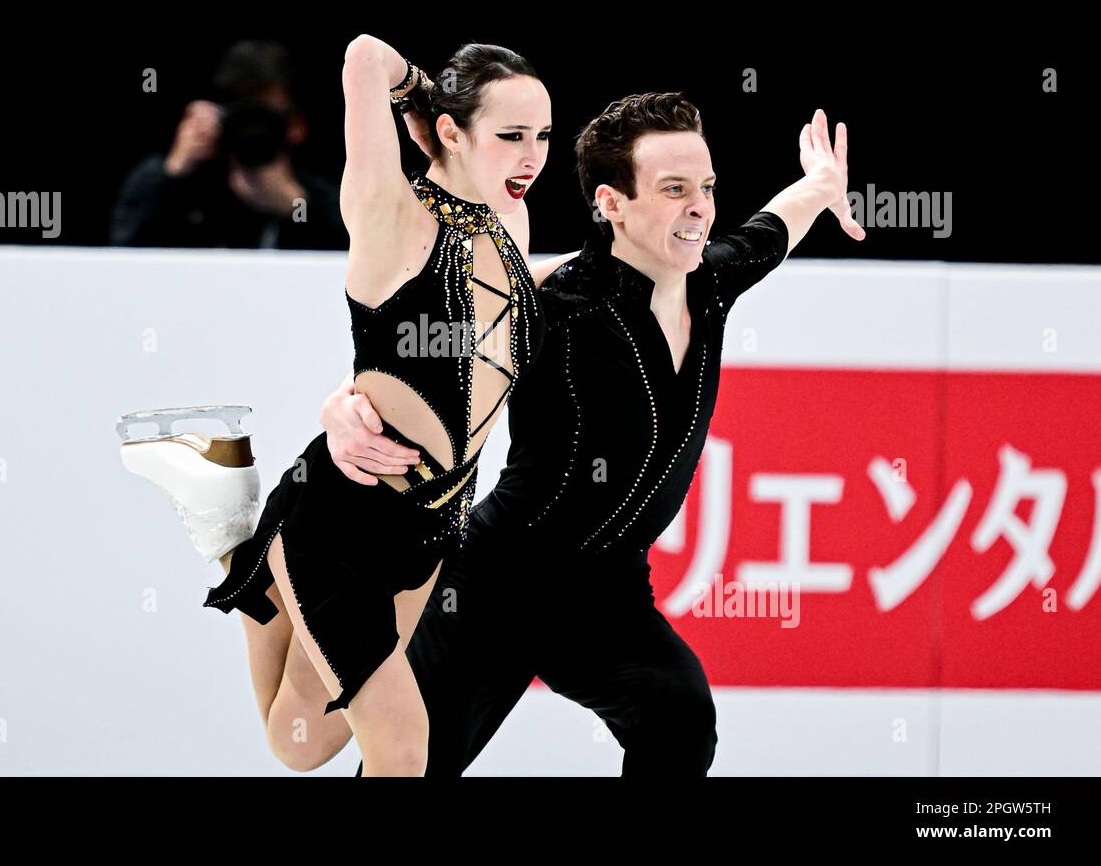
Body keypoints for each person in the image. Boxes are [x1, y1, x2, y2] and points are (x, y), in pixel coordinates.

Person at [313, 96, 864, 775]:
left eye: (707, 187)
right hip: (498, 583)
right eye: (674, 189)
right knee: (409, 768)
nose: (700, 207)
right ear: (612, 201)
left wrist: (820, 186)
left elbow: (777, 224)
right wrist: (344, 402)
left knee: (679, 716)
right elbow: (423, 356)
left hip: (607, 594)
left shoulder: (713, 281)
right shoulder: (554, 309)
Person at [196, 36, 553, 776]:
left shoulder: (509, 223)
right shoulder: (390, 210)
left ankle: (238, 543)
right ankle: (270, 552)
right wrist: (427, 94)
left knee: (302, 743)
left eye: (542, 136)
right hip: (345, 515)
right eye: (511, 136)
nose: (531, 157)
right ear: (451, 132)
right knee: (403, 745)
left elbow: (494, 317)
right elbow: (362, 55)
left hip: (432, 530)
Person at [110, 39, 349, 250]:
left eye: (266, 116)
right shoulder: (182, 184)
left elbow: (359, 272)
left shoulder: (323, 192)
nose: (254, 128)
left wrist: (296, 207)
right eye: (244, 114)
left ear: (297, 125)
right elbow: (124, 255)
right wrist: (174, 171)